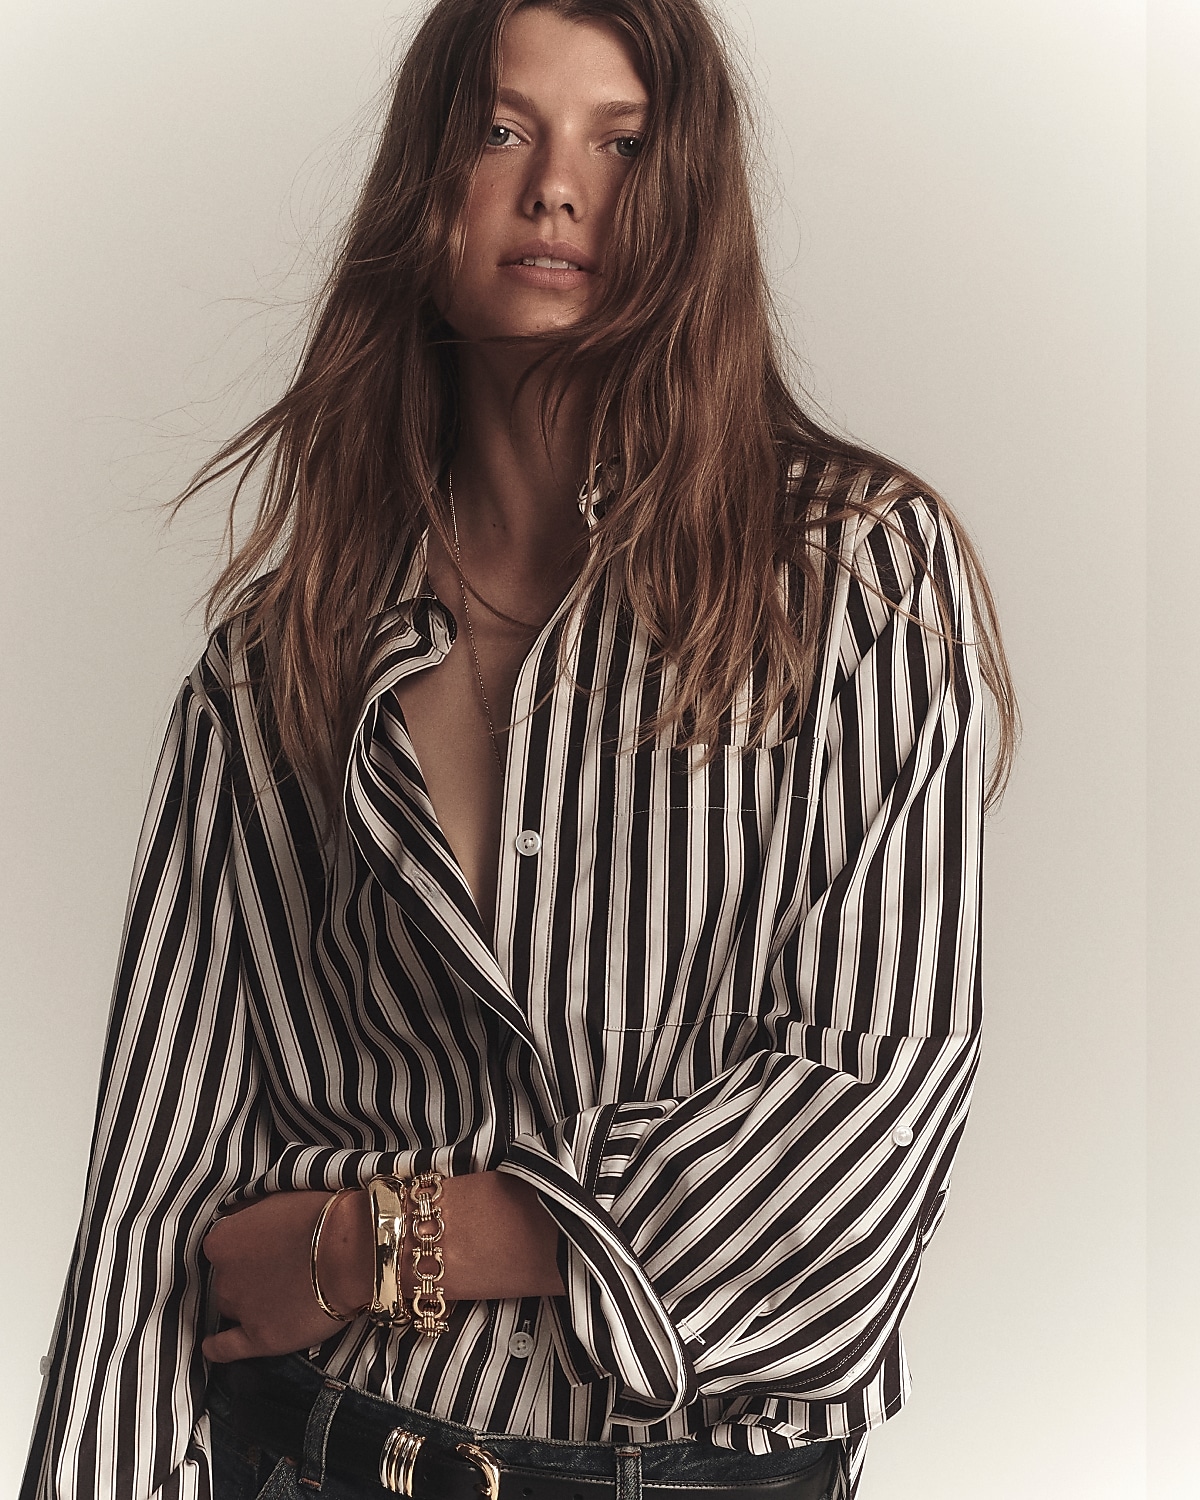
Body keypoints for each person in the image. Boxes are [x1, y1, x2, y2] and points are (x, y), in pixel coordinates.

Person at [21, 1, 1016, 1497]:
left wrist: (377, 1245)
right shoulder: (279, 662)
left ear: (687, 199)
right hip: (318, 1458)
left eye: (622, 145)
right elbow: (158, 1211)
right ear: (428, 179)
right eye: (505, 128)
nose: (558, 187)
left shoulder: (856, 586)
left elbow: (857, 1165)